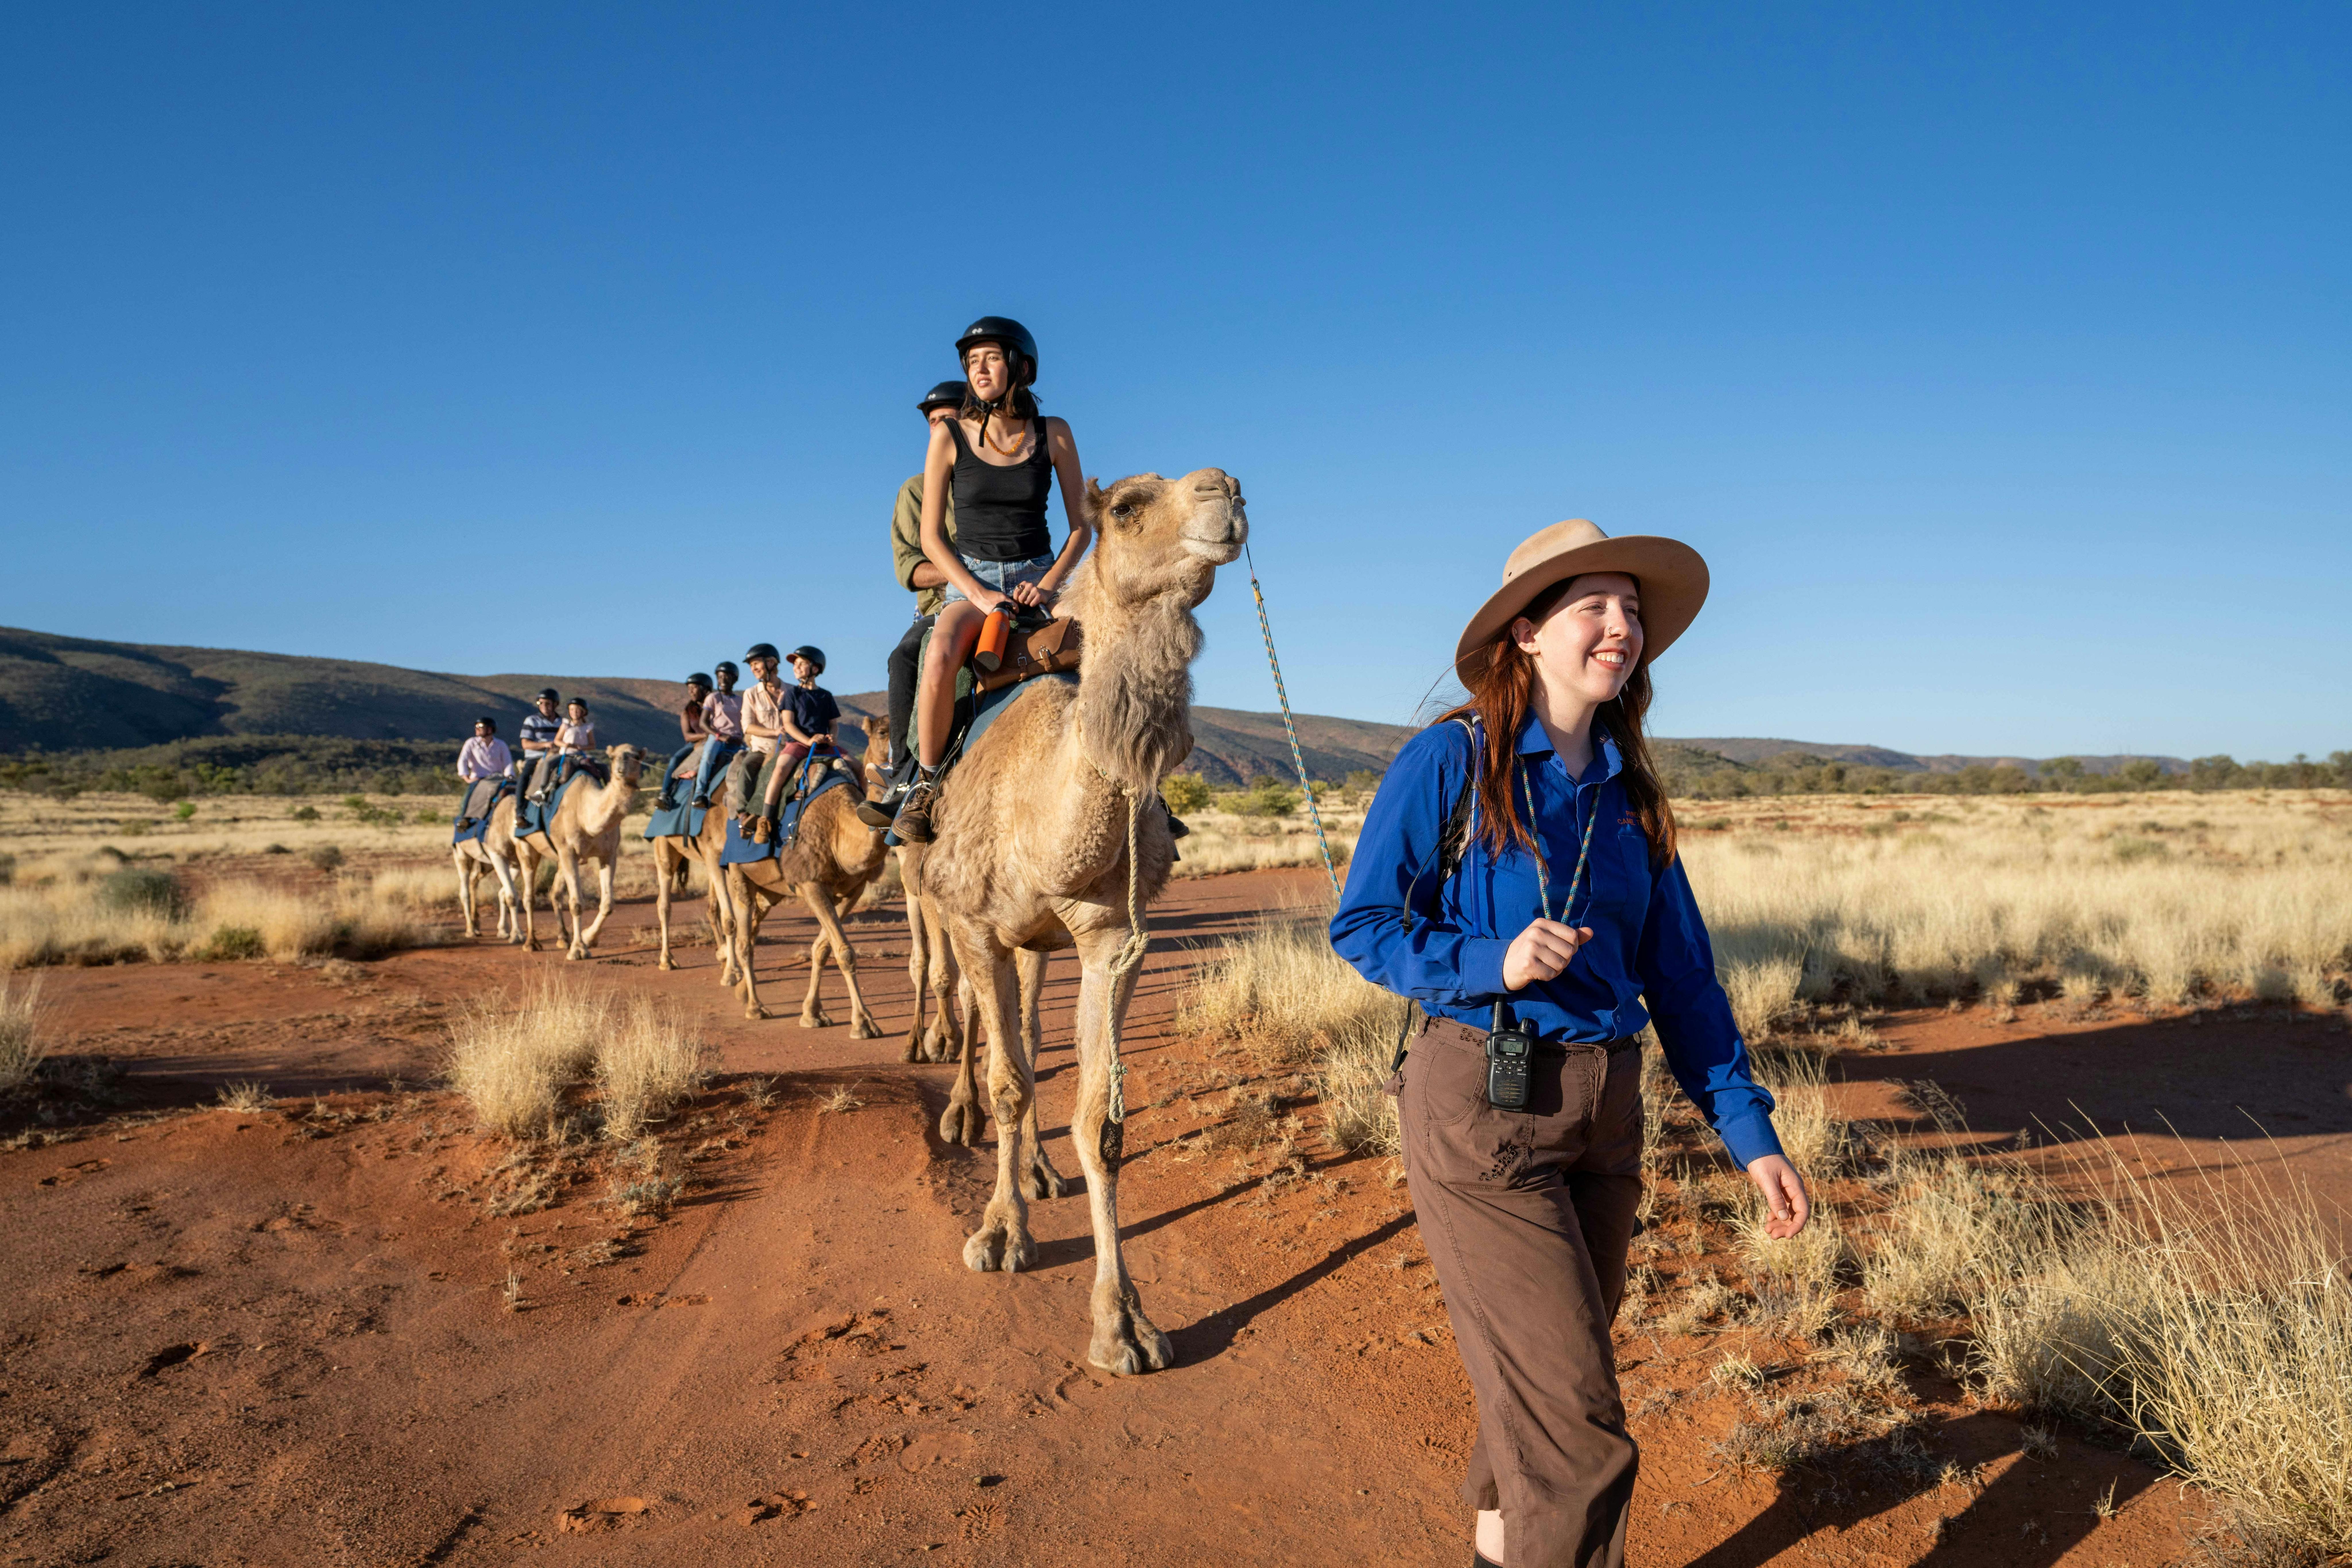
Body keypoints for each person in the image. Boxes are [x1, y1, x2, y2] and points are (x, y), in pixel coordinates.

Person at [1329, 519, 1810, 1568]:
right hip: (1481, 1108)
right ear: (1525, 634)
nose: (1619, 626)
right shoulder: (1450, 761)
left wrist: (1747, 1131)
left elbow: (1680, 976)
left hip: (1607, 1111)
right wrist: (1486, 961)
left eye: (1630, 609)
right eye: (1590, 605)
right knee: (1578, 1429)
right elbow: (1361, 925)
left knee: (1545, 1392)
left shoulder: (1628, 796)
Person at [891, 317, 1093, 845]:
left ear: (1020, 367)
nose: (979, 370)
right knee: (938, 655)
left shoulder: (1055, 432)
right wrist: (978, 594)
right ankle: (927, 787)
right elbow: (932, 538)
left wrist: (1048, 585)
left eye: (991, 359)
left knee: (1106, 652)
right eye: (971, 362)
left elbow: (1081, 529)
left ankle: (1144, 789)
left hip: (1039, 574)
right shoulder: (947, 437)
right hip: (974, 581)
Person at [871, 380, 968, 817]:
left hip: (1012, 597)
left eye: (951, 418)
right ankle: (907, 775)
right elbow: (909, 568)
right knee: (906, 656)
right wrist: (964, 578)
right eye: (934, 422)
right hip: (947, 606)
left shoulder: (997, 478)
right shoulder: (917, 489)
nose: (942, 428)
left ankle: (1140, 787)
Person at [757, 644, 842, 823]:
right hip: (799, 744)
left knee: (857, 766)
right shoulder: (791, 694)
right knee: (780, 770)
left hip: (824, 745)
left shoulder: (826, 696)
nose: (796, 668)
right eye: (795, 664)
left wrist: (833, 737)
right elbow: (788, 724)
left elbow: (833, 724)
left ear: (815, 669)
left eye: (802, 664)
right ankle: (765, 819)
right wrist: (808, 740)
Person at [730, 643, 789, 830]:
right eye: (751, 665)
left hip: (789, 748)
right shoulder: (751, 694)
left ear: (772, 663)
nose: (753, 669)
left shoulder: (792, 692)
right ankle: (744, 815)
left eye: (757, 663)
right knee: (746, 768)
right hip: (762, 750)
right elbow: (748, 727)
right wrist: (775, 732)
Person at [689, 661, 744, 809]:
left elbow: (745, 722)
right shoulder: (713, 698)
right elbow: (703, 723)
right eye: (720, 678)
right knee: (707, 758)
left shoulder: (741, 700)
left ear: (735, 679)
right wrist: (719, 735)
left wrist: (742, 737)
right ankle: (700, 794)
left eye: (727, 677)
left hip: (737, 739)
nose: (723, 681)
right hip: (718, 737)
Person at [654, 673, 713, 810]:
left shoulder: (717, 705)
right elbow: (687, 736)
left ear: (706, 689)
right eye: (689, 688)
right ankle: (665, 795)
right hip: (695, 745)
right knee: (675, 760)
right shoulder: (688, 711)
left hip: (717, 742)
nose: (691, 691)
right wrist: (706, 735)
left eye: (695, 688)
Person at [455, 717, 513, 826]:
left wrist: (509, 776)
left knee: (516, 790)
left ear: (490, 730)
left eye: (480, 727)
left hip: (499, 778)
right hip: (479, 778)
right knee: (469, 795)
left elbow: (508, 763)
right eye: (476, 727)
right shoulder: (471, 743)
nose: (477, 729)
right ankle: (464, 819)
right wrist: (467, 778)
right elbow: (463, 760)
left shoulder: (501, 745)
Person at [518, 689, 563, 805]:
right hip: (536, 757)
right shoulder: (532, 721)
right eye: (540, 703)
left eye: (547, 703)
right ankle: (520, 811)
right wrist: (545, 745)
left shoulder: (563, 722)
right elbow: (525, 744)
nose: (543, 706)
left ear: (556, 704)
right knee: (525, 777)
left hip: (558, 756)